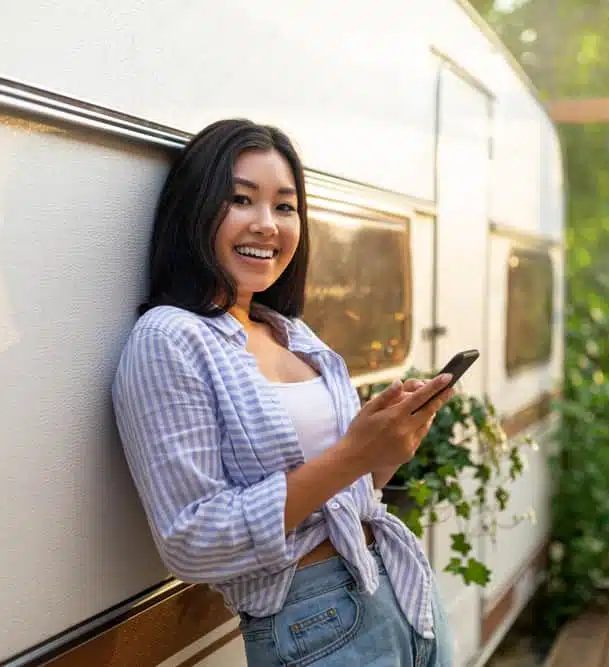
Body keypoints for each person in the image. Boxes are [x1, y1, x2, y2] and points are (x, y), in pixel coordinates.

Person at [112, 118, 456, 666]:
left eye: (285, 206)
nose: (266, 225)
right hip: (315, 622)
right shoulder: (169, 338)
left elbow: (341, 489)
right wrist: (353, 456)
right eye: (241, 200)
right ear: (194, 211)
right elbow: (192, 540)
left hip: (402, 592)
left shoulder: (292, 332)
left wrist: (386, 452)